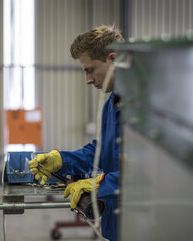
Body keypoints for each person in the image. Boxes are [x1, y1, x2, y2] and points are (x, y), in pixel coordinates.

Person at [29, 25, 124, 241]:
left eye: (90, 70)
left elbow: (152, 175)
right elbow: (102, 150)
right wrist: (61, 159)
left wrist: (101, 184)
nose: (88, 80)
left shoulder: (145, 106)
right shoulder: (112, 103)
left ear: (113, 58)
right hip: (115, 225)